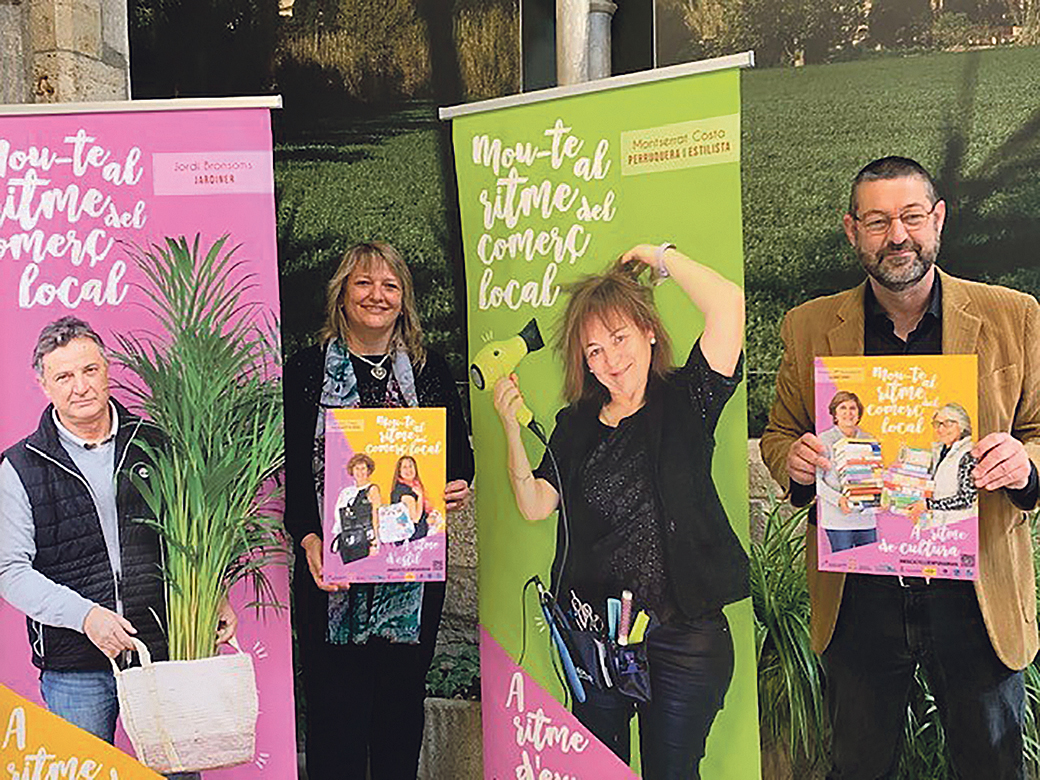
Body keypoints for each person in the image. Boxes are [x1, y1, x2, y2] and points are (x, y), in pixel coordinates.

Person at [760, 156, 1040, 780]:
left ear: (937, 219)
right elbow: (779, 435)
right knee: (858, 767)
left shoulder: (1014, 315)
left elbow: (1039, 430)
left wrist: (1025, 462)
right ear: (852, 230)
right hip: (861, 593)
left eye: (912, 217)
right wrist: (794, 461)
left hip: (976, 594)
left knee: (992, 768)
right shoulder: (809, 327)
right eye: (877, 221)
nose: (897, 236)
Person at [492, 243, 748, 779]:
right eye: (594, 350)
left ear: (648, 331)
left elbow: (727, 304)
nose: (610, 359)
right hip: (597, 640)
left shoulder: (687, 399)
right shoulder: (575, 424)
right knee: (600, 770)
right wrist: (512, 431)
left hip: (684, 638)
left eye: (619, 338)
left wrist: (661, 256)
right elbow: (536, 504)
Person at [0, 316, 232, 780]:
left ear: (107, 369)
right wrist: (86, 616)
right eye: (64, 376)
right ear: (43, 385)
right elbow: (10, 570)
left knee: (178, 776)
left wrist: (216, 593)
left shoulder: (156, 444)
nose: (80, 387)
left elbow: (195, 533)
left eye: (89, 370)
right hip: (75, 665)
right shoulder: (18, 466)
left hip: (163, 651)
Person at [282, 241, 474, 780]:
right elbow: (291, 469)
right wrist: (309, 540)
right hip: (330, 573)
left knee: (399, 709)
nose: (377, 295)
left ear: (404, 299)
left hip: (411, 577)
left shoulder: (430, 370)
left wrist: (455, 484)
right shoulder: (306, 370)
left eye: (390, 285)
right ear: (341, 294)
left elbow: (458, 458)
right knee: (333, 713)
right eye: (363, 283)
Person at [817, 390, 879, 552]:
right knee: (842, 564)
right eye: (842, 408)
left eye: (852, 408)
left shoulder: (869, 439)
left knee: (869, 564)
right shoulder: (823, 440)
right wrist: (838, 500)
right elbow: (816, 481)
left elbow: (875, 474)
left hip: (865, 519)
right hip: (838, 520)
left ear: (859, 413)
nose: (848, 413)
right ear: (835, 414)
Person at [910, 403, 978, 528]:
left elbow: (966, 499)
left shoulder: (968, 454)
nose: (940, 429)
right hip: (936, 522)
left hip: (959, 524)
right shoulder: (938, 451)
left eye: (948, 423)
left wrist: (928, 505)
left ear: (962, 426)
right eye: (937, 424)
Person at [330, 453, 381, 564]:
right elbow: (339, 518)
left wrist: (375, 540)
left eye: (363, 468)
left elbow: (376, 514)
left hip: (365, 539)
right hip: (347, 539)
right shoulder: (345, 492)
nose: (360, 472)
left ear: (368, 471)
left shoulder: (372, 489)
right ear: (352, 471)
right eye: (357, 468)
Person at [390, 455, 432, 541]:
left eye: (410, 466)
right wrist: (420, 496)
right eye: (404, 467)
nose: (408, 470)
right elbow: (415, 519)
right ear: (399, 471)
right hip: (412, 540)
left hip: (416, 537)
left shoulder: (413, 486)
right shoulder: (404, 491)